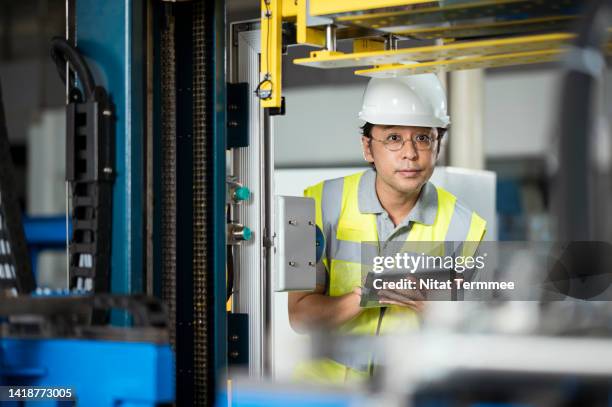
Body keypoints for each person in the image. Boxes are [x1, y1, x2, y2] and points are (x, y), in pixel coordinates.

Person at [288, 74, 487, 383]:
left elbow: (476, 334)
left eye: (423, 138)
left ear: (439, 145)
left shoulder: (467, 227)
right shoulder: (311, 204)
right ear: (368, 147)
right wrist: (367, 293)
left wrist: (434, 307)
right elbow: (299, 316)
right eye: (393, 138)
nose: (410, 153)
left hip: (406, 393)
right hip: (322, 395)